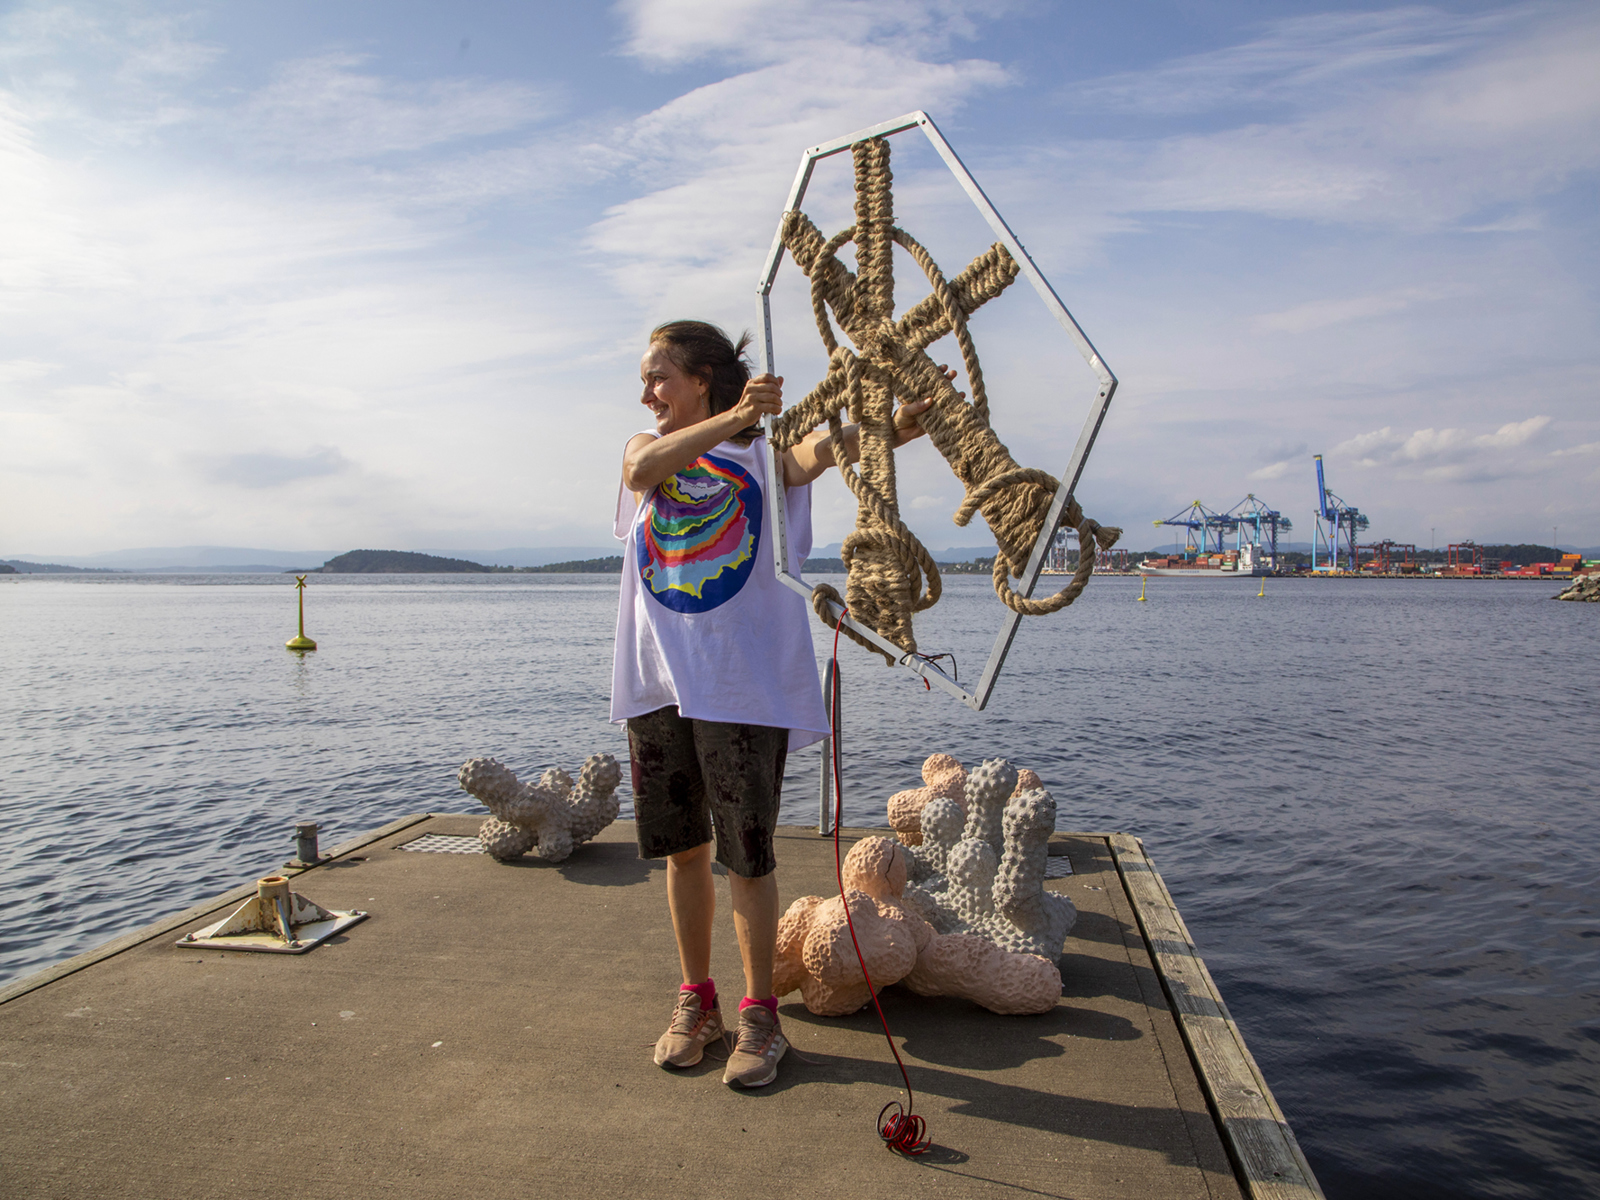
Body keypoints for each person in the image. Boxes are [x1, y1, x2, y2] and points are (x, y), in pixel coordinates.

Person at [611, 318, 939, 1088]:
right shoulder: (643, 450)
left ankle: (761, 1015)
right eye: (645, 378)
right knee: (682, 850)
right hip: (660, 682)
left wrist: (895, 429)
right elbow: (641, 473)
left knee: (746, 858)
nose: (647, 391)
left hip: (741, 686)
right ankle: (698, 1001)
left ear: (700, 377)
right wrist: (735, 415)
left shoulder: (764, 457)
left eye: (659, 375)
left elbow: (824, 450)